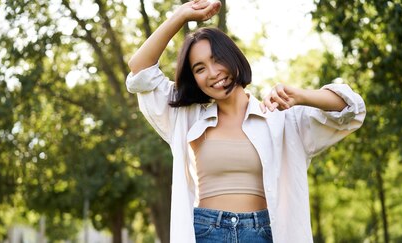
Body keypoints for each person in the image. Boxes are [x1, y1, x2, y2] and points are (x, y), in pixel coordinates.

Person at [126, 0, 366, 242]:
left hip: (263, 232)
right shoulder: (187, 117)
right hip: (207, 232)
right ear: (194, 79)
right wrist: (179, 17)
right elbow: (140, 72)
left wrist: (301, 96)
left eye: (217, 59)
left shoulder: (280, 119)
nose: (213, 72)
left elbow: (351, 109)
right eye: (200, 68)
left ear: (234, 58)